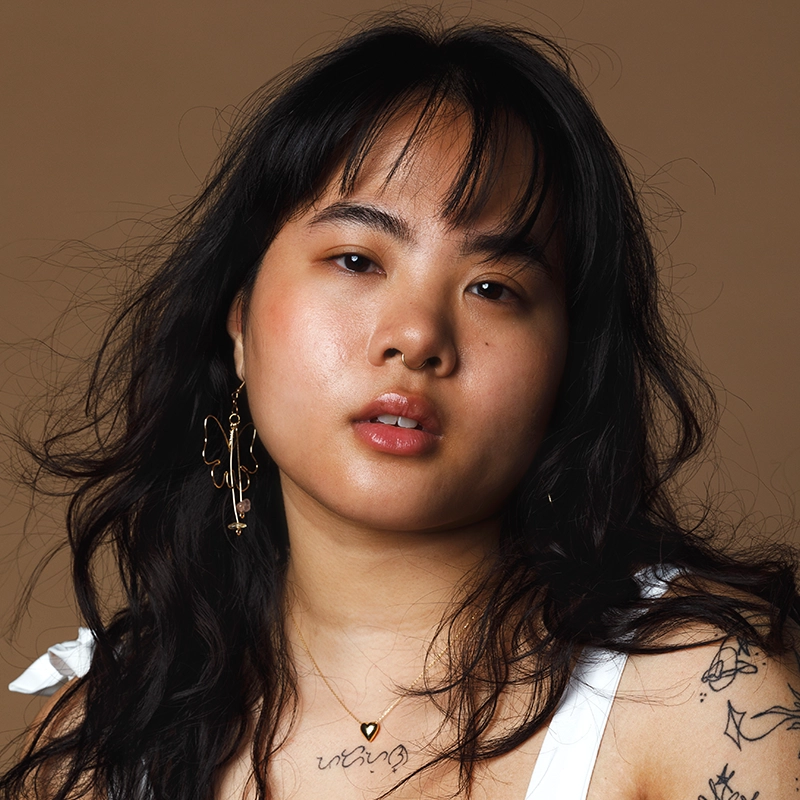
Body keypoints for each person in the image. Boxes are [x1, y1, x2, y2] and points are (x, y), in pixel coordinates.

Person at [2, 14, 799, 800]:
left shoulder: (700, 697)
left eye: (493, 288)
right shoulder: (98, 751)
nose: (417, 336)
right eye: (356, 259)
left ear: (567, 363)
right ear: (237, 319)